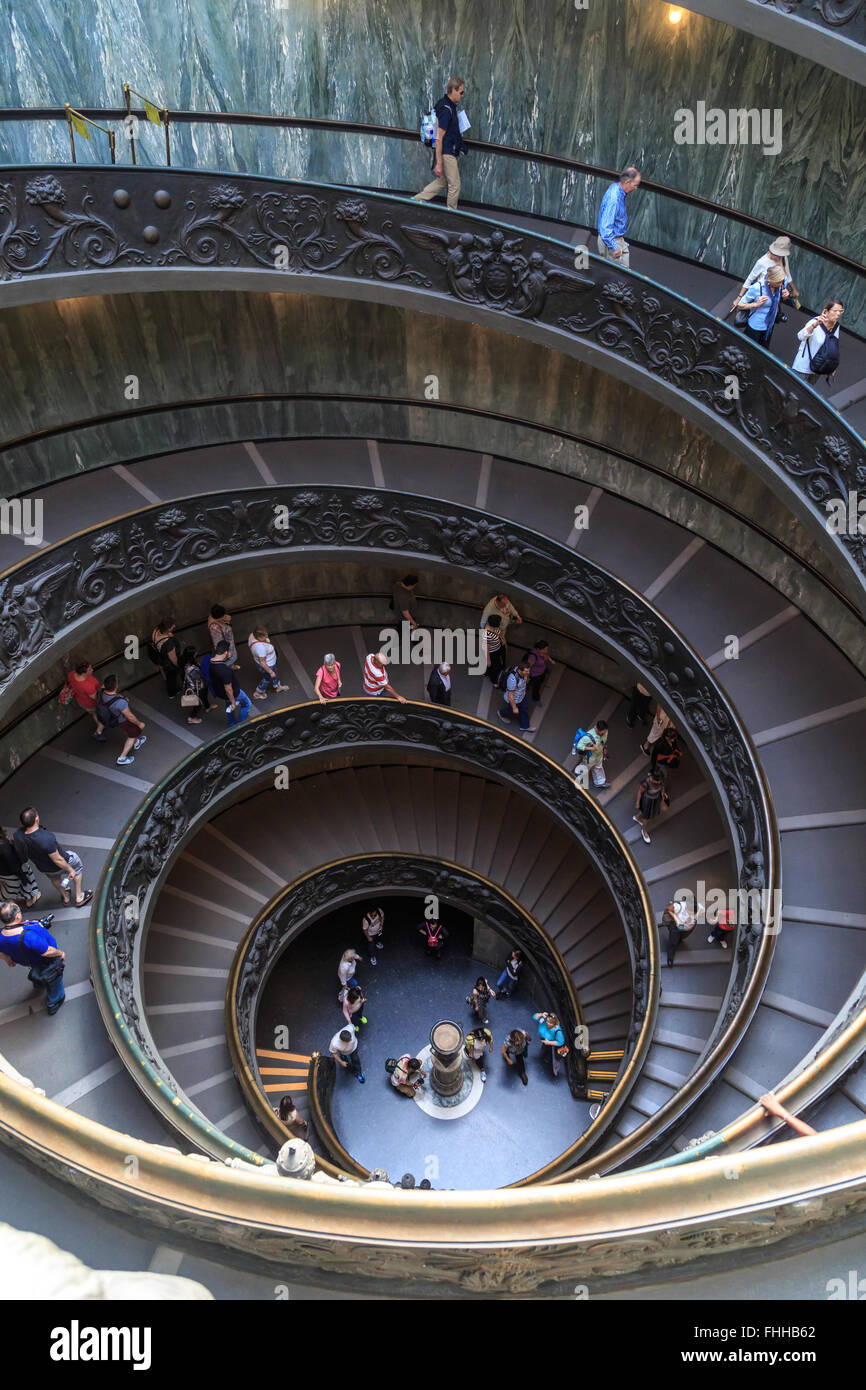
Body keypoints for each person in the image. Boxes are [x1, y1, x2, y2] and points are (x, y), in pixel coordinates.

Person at [14, 808, 92, 909]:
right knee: (77, 865)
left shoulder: (18, 836)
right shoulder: (46, 838)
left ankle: (65, 897)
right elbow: (58, 859)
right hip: (60, 863)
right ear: (36, 819)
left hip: (44, 867)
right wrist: (70, 869)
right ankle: (79, 897)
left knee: (55, 878)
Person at [0, 902, 65, 1015]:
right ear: (17, 917)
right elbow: (47, 952)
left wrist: (7, 959)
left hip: (27, 960)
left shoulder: (1, 935)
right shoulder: (28, 937)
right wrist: (60, 953)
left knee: (36, 968)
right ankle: (54, 1001)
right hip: (45, 960)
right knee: (55, 980)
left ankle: (38, 982)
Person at [413, 76, 467, 210]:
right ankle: (451, 213)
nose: (462, 95)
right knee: (455, 185)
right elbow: (439, 137)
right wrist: (439, 163)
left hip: (447, 150)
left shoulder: (444, 104)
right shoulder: (447, 110)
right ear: (453, 90)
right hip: (447, 152)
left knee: (442, 182)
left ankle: (416, 200)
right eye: (461, 92)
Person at [733, 235, 800, 316]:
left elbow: (787, 274)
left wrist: (793, 289)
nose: (779, 256)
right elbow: (750, 279)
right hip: (764, 294)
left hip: (777, 292)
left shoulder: (783, 258)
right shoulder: (762, 262)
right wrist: (739, 297)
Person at [95, 675, 147, 767]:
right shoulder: (120, 702)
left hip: (112, 717)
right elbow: (130, 716)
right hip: (122, 721)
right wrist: (139, 723)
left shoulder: (101, 691)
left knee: (134, 733)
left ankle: (137, 742)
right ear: (116, 686)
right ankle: (122, 758)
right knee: (133, 734)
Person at [596, 166, 641, 269]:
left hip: (616, 238)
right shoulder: (614, 199)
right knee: (617, 277)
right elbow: (606, 228)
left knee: (622, 271)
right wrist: (615, 247)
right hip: (611, 241)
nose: (636, 188)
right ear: (627, 182)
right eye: (635, 185)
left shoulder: (616, 187)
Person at [792, 300, 844, 385]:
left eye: (840, 311)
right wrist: (815, 325)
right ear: (826, 311)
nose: (838, 314)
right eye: (835, 311)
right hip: (803, 367)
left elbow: (833, 346)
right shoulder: (814, 322)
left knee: (806, 395)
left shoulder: (836, 326)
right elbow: (800, 336)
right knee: (793, 392)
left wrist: (832, 366)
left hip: (818, 367)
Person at [737, 264, 788, 348]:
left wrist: (785, 295)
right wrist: (756, 304)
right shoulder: (757, 288)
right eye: (778, 282)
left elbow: (781, 296)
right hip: (755, 326)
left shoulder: (781, 284)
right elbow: (739, 305)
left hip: (769, 325)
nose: (781, 284)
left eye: (782, 282)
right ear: (771, 280)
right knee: (749, 349)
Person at [208, 641, 252, 725]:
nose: (230, 653)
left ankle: (231, 723)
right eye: (229, 651)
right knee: (247, 704)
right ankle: (240, 724)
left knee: (229, 707)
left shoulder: (211, 661)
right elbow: (228, 689)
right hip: (234, 693)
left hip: (221, 693)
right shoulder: (225, 671)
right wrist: (233, 702)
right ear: (225, 653)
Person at [61, 661, 103, 737]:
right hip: (91, 704)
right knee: (97, 715)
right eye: (90, 669)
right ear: (83, 673)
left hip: (81, 701)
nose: (92, 670)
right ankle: (99, 730)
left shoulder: (72, 674)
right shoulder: (87, 686)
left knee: (94, 714)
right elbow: (96, 697)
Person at [0, 829, 40, 908]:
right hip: (13, 872)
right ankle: (29, 899)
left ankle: (9, 899)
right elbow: (15, 863)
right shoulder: (4, 845)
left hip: (2, 873)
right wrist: (23, 878)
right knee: (24, 884)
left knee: (8, 887)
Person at [248, 626, 288, 700]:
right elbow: (263, 663)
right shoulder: (260, 648)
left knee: (274, 673)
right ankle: (258, 692)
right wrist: (270, 671)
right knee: (267, 678)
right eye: (264, 636)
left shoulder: (252, 635)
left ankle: (277, 686)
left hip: (270, 663)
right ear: (259, 637)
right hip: (268, 665)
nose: (267, 636)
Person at [497, 661, 535, 733]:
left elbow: (525, 680)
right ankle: (501, 713)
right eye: (526, 671)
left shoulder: (522, 671)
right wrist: (514, 707)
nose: (528, 673)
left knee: (524, 709)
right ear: (520, 670)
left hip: (522, 695)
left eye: (529, 670)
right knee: (511, 710)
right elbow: (510, 695)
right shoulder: (512, 679)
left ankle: (525, 726)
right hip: (515, 699)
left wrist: (526, 679)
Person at [633, 767, 667, 844]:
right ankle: (644, 831)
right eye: (651, 777)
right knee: (647, 818)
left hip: (655, 800)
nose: (650, 778)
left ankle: (637, 817)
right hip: (647, 801)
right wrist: (637, 802)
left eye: (652, 778)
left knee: (645, 812)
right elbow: (640, 792)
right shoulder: (646, 783)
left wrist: (663, 795)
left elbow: (662, 789)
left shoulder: (660, 782)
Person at [151, 618, 182, 697]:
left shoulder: (156, 630)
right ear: (168, 629)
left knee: (169, 676)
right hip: (168, 663)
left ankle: (171, 690)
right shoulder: (168, 643)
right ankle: (172, 692)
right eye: (172, 626)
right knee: (171, 677)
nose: (174, 626)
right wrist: (178, 665)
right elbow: (173, 658)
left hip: (162, 657)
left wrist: (168, 634)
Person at [179, 646, 210, 725]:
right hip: (198, 687)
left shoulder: (185, 662)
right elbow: (200, 676)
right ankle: (191, 718)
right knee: (198, 703)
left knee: (204, 696)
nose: (197, 653)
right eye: (195, 652)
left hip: (197, 686)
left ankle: (207, 707)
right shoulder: (191, 668)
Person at [574, 721, 609, 788]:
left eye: (605, 731)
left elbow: (604, 740)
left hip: (599, 756)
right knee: (585, 767)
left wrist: (605, 748)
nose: (605, 733)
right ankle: (579, 772)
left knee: (598, 768)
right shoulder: (588, 737)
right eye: (603, 732)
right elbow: (579, 746)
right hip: (590, 758)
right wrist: (592, 748)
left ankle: (600, 782)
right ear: (598, 730)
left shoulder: (605, 731)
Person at [533, 1011, 565, 1078]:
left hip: (552, 1044)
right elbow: (534, 1017)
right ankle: (545, 1057)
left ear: (554, 1023)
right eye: (547, 1021)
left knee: (556, 1057)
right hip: (545, 1041)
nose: (547, 1023)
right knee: (544, 1050)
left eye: (550, 1022)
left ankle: (555, 1069)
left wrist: (548, 1042)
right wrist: (541, 1014)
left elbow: (560, 1042)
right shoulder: (544, 1021)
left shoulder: (557, 1031)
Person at [483, 613, 506, 687]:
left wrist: (503, 642)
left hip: (497, 648)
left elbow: (500, 634)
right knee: (496, 667)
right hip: (492, 652)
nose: (500, 623)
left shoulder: (494, 628)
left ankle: (486, 672)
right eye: (499, 622)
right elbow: (487, 649)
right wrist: (488, 660)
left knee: (492, 666)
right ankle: (494, 681)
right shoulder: (488, 634)